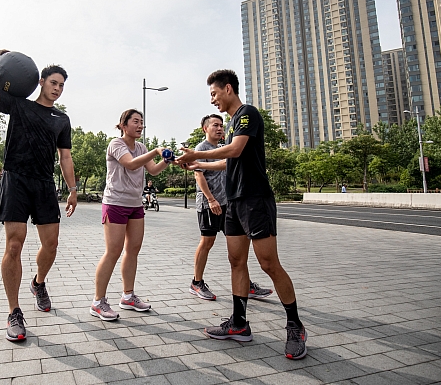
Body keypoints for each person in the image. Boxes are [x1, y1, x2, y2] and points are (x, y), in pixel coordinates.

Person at [178, 69, 308, 360]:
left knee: (268, 264)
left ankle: (295, 325)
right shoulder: (234, 122)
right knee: (236, 261)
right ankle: (239, 324)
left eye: (214, 94)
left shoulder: (247, 113)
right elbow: (228, 163)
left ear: (227, 89)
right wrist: (197, 164)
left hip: (255, 199)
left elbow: (235, 151)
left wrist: (197, 156)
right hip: (234, 202)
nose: (212, 100)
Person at [0, 49, 78, 342]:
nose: (57, 89)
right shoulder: (18, 105)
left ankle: (38, 283)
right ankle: (14, 311)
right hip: (16, 179)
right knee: (15, 245)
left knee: (51, 245)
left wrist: (72, 190)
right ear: (41, 82)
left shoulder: (61, 119)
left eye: (61, 85)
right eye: (53, 82)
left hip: (45, 184)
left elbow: (66, 157)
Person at [90, 109, 171, 321]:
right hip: (115, 203)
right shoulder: (116, 144)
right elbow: (130, 163)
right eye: (135, 121)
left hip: (135, 204)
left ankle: (128, 296)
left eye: (142, 121)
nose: (140, 125)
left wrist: (168, 160)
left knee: (132, 250)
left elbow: (152, 170)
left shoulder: (141, 147)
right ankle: (98, 302)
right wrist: (156, 151)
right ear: (123, 125)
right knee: (113, 251)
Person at [190, 113, 273, 302]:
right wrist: (211, 200)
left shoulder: (223, 148)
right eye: (215, 125)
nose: (220, 129)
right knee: (207, 242)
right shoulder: (200, 148)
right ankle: (197, 282)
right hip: (209, 204)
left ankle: (247, 284)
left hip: (228, 204)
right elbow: (199, 176)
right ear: (205, 128)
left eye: (221, 126)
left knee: (238, 246)